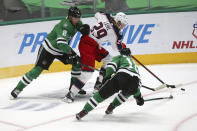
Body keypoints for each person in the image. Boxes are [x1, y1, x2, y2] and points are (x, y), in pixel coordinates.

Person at [10, 6, 83, 99]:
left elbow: (83, 32)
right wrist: (72, 54)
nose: (78, 19)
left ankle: (74, 89)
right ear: (69, 17)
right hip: (48, 49)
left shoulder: (78, 23)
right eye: (75, 18)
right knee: (37, 70)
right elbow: (61, 43)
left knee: (77, 63)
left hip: (62, 49)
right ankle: (18, 89)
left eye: (79, 17)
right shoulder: (64, 25)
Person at [76, 48, 144, 120]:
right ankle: (112, 106)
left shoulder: (120, 57)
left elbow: (111, 67)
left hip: (121, 76)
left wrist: (106, 78)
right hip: (135, 80)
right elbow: (137, 86)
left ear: (121, 53)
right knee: (126, 93)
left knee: (100, 95)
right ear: (130, 55)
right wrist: (139, 98)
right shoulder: (134, 65)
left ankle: (84, 111)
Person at [63, 24, 109, 103]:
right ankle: (72, 94)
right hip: (93, 55)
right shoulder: (88, 40)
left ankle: (98, 84)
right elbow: (89, 54)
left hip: (94, 54)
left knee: (107, 59)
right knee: (86, 74)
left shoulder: (83, 41)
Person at [89, 11, 128, 92]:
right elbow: (116, 48)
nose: (123, 27)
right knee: (108, 60)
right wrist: (122, 47)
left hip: (85, 39)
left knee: (108, 58)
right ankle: (99, 84)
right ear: (119, 22)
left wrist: (108, 16)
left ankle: (98, 84)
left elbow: (96, 14)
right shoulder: (116, 32)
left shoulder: (106, 17)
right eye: (123, 25)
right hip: (92, 47)